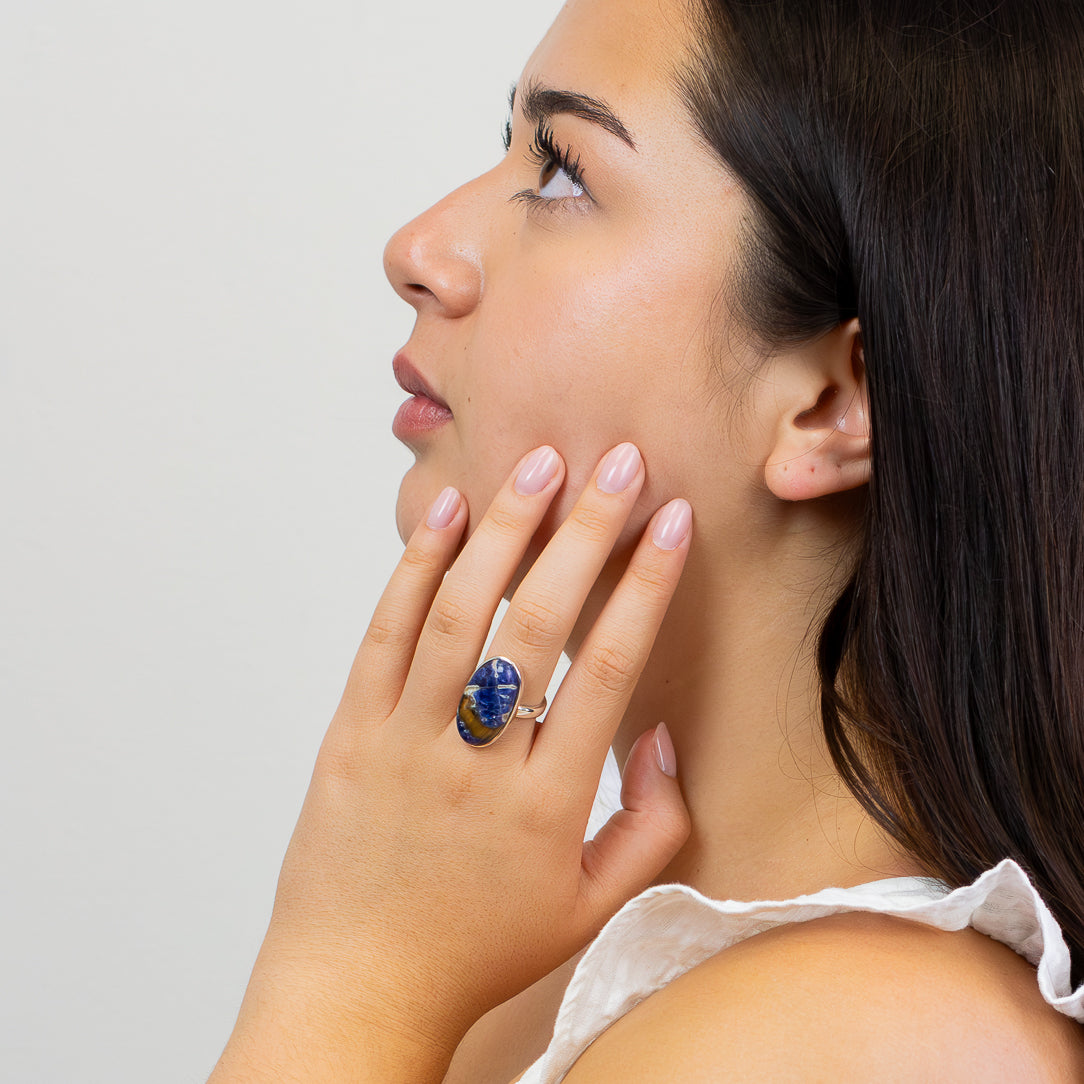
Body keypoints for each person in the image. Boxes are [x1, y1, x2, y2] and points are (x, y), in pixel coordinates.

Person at [208, 0, 1084, 1079]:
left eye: (563, 171)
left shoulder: (868, 1043)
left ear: (830, 403)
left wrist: (343, 976)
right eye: (508, 148)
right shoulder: (530, 966)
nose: (419, 251)